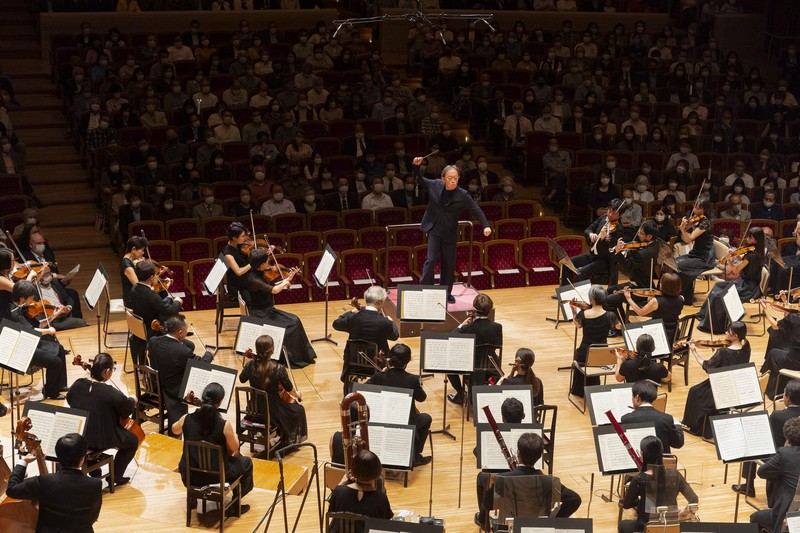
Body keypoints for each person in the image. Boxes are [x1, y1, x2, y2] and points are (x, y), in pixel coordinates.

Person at [412, 157, 491, 303]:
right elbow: (421, 180)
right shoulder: (435, 185)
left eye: (456, 178)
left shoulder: (462, 195)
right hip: (434, 230)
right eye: (450, 178)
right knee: (431, 260)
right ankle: (424, 288)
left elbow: (477, 210)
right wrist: (416, 167)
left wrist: (485, 225)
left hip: (450, 233)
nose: (453, 181)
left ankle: (446, 292)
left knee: (448, 264)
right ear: (443, 179)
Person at [174, 382, 253, 516]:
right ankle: (234, 506)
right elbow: (234, 448)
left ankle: (193, 497)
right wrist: (234, 436)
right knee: (247, 463)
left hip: (190, 476)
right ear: (220, 402)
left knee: (193, 459)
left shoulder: (186, 418)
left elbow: (175, 429)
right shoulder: (224, 424)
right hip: (218, 477)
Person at [477, 433, 582, 527]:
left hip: (509, 528)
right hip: (536, 529)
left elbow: (487, 504)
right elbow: (575, 500)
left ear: (518, 454)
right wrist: (552, 521)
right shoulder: (550, 482)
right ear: (540, 457)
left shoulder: (502, 479)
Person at [67, 353, 140, 488]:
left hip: (79, 432)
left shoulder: (78, 384)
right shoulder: (109, 391)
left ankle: (95, 470)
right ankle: (116, 476)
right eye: (112, 370)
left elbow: (69, 400)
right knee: (133, 441)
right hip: (102, 436)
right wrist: (133, 400)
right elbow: (125, 411)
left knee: (92, 434)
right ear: (106, 372)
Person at [6, 433, 103, 532]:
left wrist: (23, 462)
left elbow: (12, 489)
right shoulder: (95, 484)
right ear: (82, 458)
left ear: (58, 456)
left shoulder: (44, 481)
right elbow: (93, 517)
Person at [243, 249, 316, 367]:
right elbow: (275, 290)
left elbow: (271, 286)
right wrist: (285, 283)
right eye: (266, 261)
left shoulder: (258, 273)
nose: (268, 263)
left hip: (267, 310)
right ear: (261, 265)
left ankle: (304, 356)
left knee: (295, 319)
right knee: (292, 324)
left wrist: (288, 278)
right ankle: (291, 359)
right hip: (261, 314)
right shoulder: (253, 279)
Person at [148, 314, 214, 436]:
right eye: (185, 331)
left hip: (154, 384)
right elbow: (202, 364)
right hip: (172, 389)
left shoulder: (153, 341)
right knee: (205, 386)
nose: (186, 333)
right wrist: (209, 353)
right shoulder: (180, 351)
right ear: (179, 333)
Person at [366, 344, 432, 466]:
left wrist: (382, 375)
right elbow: (422, 398)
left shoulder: (378, 376)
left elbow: (363, 391)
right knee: (427, 418)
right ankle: (416, 457)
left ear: (390, 359)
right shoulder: (412, 379)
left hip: (381, 420)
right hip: (405, 422)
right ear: (407, 362)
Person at [682, 322, 751, 437]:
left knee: (694, 391)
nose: (725, 333)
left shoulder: (723, 352)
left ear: (735, 336)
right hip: (735, 385)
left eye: (728, 332)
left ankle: (693, 425)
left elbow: (707, 366)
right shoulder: (746, 346)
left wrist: (694, 351)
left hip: (719, 386)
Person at [618, 436, 698, 533]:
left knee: (622, 525)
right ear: (662, 453)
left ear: (642, 455)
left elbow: (626, 505)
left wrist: (638, 500)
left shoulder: (639, 479)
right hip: (671, 526)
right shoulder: (675, 474)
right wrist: (683, 513)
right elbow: (694, 499)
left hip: (646, 528)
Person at [239, 334, 307, 445]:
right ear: (272, 350)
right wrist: (298, 394)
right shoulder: (278, 368)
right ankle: (286, 441)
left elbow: (242, 379)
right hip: (273, 413)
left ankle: (276, 437)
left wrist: (247, 360)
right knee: (299, 410)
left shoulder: (250, 365)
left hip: (254, 410)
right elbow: (289, 389)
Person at [736, 379, 800, 497]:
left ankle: (748, 486)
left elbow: (766, 435)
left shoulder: (777, 416)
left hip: (780, 456)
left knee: (752, 443)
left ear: (787, 397)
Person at [697, 227, 766, 333]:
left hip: (749, 288)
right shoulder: (755, 251)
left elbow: (736, 271)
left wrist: (729, 260)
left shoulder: (752, 255)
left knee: (719, 295)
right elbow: (744, 261)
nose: (747, 239)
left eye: (750, 238)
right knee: (717, 286)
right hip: (745, 283)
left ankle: (716, 326)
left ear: (756, 240)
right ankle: (704, 316)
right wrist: (736, 256)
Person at [9, 279, 68, 400]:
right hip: (20, 349)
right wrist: (48, 331)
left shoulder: (21, 308)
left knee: (60, 349)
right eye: (30, 298)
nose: (32, 300)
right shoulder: (13, 313)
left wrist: (54, 316)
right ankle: (51, 392)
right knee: (55, 362)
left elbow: (37, 326)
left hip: (30, 343)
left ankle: (59, 385)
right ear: (22, 299)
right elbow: (32, 332)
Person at [332, 285, 399, 387]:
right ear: (380, 302)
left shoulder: (353, 318)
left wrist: (351, 312)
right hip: (377, 363)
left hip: (354, 361)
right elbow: (395, 336)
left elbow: (336, 323)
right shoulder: (385, 322)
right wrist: (391, 322)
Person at [448, 293, 503, 404]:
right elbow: (498, 344)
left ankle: (460, 393)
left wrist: (461, 325)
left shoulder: (467, 328)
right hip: (491, 365)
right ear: (490, 309)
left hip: (470, 366)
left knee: (448, 365)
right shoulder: (497, 327)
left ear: (474, 309)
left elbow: (452, 338)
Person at [560, 198, 630, 286]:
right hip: (592, 255)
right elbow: (588, 229)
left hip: (604, 261)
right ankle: (565, 293)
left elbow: (609, 252)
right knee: (567, 264)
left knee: (581, 273)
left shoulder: (619, 230)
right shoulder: (603, 217)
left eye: (614, 213)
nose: (610, 215)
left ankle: (579, 297)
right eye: (609, 211)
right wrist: (590, 234)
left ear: (621, 214)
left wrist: (602, 239)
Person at [750, 417, 800, 533]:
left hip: (788, 516)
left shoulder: (785, 454)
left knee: (755, 517)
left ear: (788, 439)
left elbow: (762, 472)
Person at [128, 260, 183, 366]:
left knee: (168, 301)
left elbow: (155, 303)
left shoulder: (135, 288)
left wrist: (168, 300)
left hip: (140, 327)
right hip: (152, 330)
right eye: (155, 275)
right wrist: (177, 302)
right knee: (176, 318)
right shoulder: (150, 295)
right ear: (151, 277)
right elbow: (169, 311)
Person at [570, 285, 619, 397]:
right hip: (602, 356)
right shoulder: (610, 315)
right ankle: (594, 388)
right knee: (594, 357)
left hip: (584, 355)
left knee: (578, 354)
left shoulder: (583, 314)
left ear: (592, 300)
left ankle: (578, 390)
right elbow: (618, 327)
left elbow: (577, 325)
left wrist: (574, 311)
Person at [604, 220, 660, 318]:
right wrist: (627, 249)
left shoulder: (642, 254)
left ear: (649, 236)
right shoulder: (655, 244)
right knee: (609, 290)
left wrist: (618, 252)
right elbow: (637, 252)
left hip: (641, 288)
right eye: (639, 231)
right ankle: (622, 320)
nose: (638, 234)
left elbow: (627, 269)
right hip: (643, 281)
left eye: (641, 233)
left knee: (608, 301)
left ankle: (620, 327)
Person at [328, 450, 392, 532]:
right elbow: (384, 525)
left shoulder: (339, 491)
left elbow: (332, 511)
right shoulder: (381, 498)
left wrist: (341, 483)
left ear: (353, 469)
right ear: (377, 472)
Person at [622, 273, 685, 348]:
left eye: (661, 283)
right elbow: (667, 309)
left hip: (659, 333)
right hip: (675, 333)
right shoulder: (681, 298)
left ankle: (645, 355)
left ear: (663, 286)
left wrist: (628, 298)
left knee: (631, 331)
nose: (660, 285)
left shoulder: (656, 301)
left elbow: (641, 312)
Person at [622, 381, 684, 453]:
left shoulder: (626, 419)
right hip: (660, 462)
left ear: (637, 397)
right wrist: (677, 424)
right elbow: (678, 443)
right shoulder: (666, 418)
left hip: (636, 462)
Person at [675, 200, 715, 303]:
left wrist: (683, 229)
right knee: (673, 262)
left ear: (705, 209)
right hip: (695, 253)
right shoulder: (698, 221)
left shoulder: (705, 223)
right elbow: (686, 230)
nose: (695, 210)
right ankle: (679, 294)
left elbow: (689, 239)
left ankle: (684, 297)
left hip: (703, 257)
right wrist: (684, 225)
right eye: (695, 207)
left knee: (678, 265)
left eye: (698, 208)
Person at [221, 222, 251, 299]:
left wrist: (264, 252)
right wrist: (252, 263)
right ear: (234, 238)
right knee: (252, 298)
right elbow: (238, 272)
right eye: (243, 236)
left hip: (247, 281)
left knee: (267, 289)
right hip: (237, 286)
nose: (245, 238)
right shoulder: (228, 254)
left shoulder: (240, 245)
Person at [120, 235, 147, 306]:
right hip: (132, 300)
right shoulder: (127, 266)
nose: (143, 253)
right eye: (142, 250)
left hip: (136, 297)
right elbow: (138, 286)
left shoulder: (130, 260)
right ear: (134, 249)